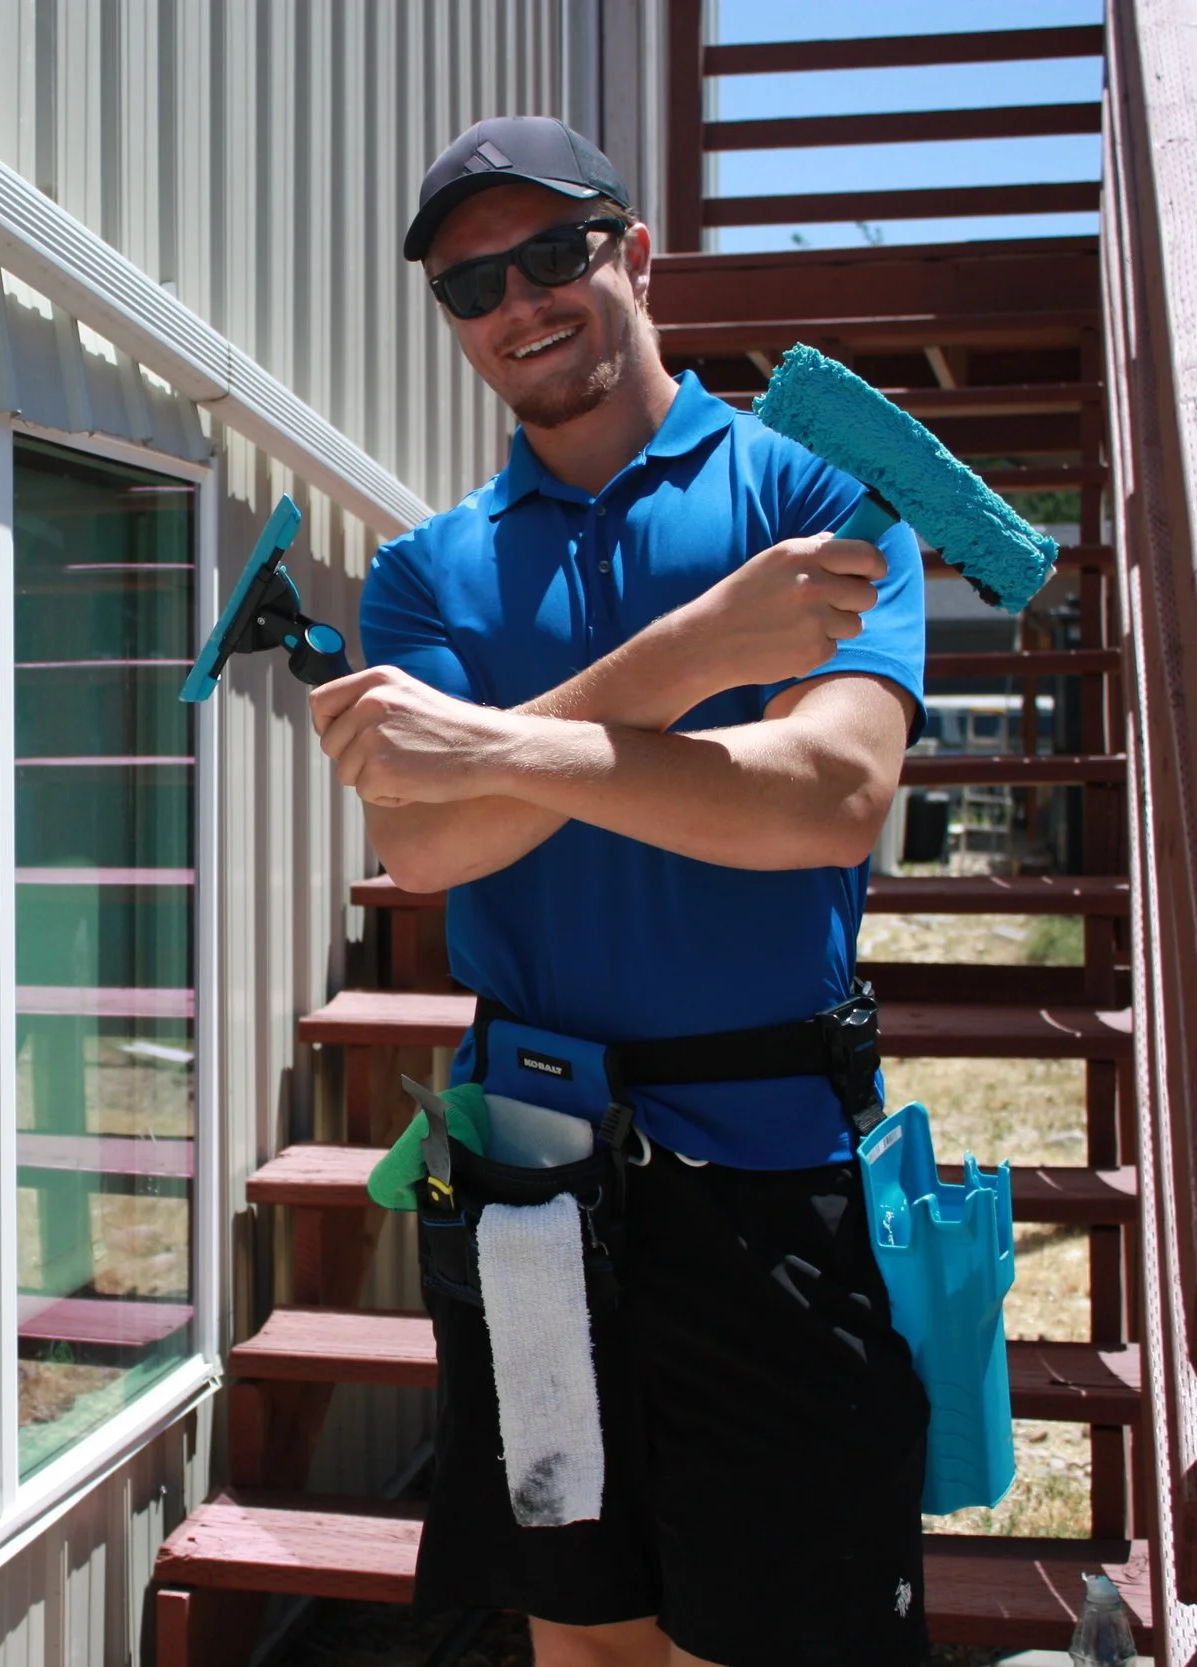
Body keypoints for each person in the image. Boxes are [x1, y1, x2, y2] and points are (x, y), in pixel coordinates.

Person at [310, 117, 933, 1666]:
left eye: (553, 252)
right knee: (582, 1631)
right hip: (528, 1180)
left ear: (634, 254)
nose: (518, 300)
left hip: (771, 1166)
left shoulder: (817, 495)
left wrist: (486, 748)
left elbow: (830, 799)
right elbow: (431, 854)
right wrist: (695, 660)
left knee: (787, 1638)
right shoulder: (428, 571)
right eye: (470, 283)